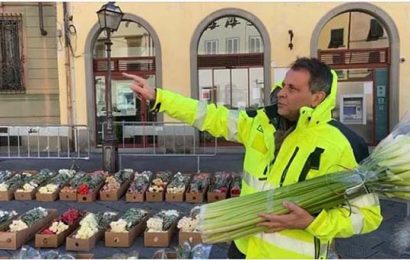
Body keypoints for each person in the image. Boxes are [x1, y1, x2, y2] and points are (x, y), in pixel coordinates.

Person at [123, 57, 382, 259]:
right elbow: (211, 116)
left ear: (317, 97)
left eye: (292, 88)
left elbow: (368, 215)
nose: (281, 92)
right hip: (244, 246)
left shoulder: (341, 144)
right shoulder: (261, 123)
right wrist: (159, 98)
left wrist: (315, 222)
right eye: (283, 85)